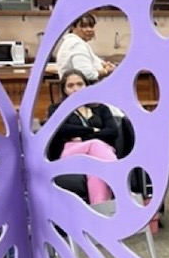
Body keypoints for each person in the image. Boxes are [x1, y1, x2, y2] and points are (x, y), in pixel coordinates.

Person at [47, 69, 117, 205]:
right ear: (64, 89)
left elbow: (113, 132)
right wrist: (93, 130)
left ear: (86, 86)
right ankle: (117, 174)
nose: (76, 89)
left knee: (96, 171)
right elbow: (62, 130)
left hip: (100, 153)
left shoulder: (101, 108)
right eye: (70, 85)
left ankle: (100, 212)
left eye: (80, 84)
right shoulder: (56, 109)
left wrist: (81, 136)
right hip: (70, 152)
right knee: (95, 143)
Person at [55, 14, 116, 82]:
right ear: (73, 27)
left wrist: (105, 64)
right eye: (84, 26)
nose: (89, 30)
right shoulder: (76, 44)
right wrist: (106, 71)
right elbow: (86, 74)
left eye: (91, 26)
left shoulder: (76, 42)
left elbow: (95, 60)